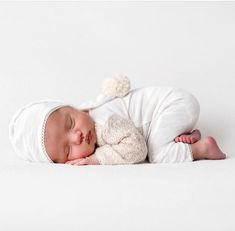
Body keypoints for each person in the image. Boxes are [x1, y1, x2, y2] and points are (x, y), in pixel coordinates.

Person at [9, 75, 226, 165]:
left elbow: (137, 149)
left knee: (157, 154)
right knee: (157, 139)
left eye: (70, 123)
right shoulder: (91, 115)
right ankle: (184, 134)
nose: (77, 136)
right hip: (175, 107)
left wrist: (97, 159)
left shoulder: (103, 124)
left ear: (75, 108)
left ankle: (201, 149)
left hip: (174, 105)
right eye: (67, 150)